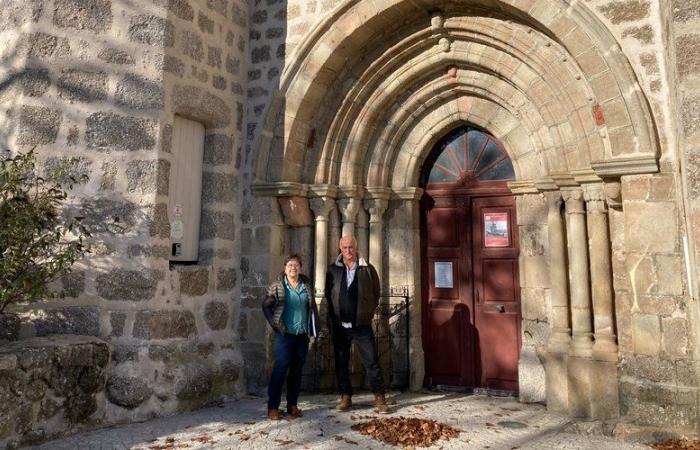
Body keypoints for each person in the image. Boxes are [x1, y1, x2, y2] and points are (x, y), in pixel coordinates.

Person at [325, 235, 390, 414]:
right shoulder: (333, 270)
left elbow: (376, 293)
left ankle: (379, 398)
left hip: (361, 325)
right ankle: (345, 397)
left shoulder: (367, 269)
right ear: (340, 248)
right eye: (345, 248)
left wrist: (366, 313)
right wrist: (334, 318)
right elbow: (328, 295)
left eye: (351, 247)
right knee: (341, 362)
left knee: (371, 362)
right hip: (340, 326)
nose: (348, 251)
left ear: (356, 247)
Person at [262, 254, 320, 420]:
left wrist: (314, 328)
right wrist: (274, 325)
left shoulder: (306, 285)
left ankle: (292, 405)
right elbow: (265, 306)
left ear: (300, 268)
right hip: (285, 335)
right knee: (280, 370)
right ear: (285, 268)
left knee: (297, 370)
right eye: (290, 265)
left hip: (302, 335)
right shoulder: (278, 286)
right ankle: (273, 407)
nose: (293, 268)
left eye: (296, 265)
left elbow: (312, 307)